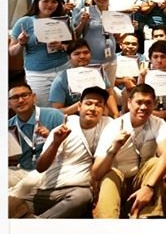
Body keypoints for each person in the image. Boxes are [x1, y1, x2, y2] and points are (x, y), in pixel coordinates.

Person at [92, 84, 166, 218]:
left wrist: (149, 187)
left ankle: (148, 217)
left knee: (155, 163)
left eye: (148, 103)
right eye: (139, 102)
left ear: (154, 105)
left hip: (142, 179)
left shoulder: (158, 123)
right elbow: (96, 173)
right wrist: (114, 149)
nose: (143, 107)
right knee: (109, 176)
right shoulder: (113, 127)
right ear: (129, 103)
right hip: (120, 179)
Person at [33, 86, 111, 218]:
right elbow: (40, 168)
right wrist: (55, 143)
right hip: (47, 191)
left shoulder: (108, 126)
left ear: (103, 110)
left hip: (77, 192)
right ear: (79, 107)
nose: (93, 108)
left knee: (82, 196)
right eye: (88, 103)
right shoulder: (63, 129)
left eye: (98, 105)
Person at [9, 0, 70, 107]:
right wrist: (21, 43)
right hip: (39, 74)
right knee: (44, 108)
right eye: (45, 1)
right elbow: (12, 52)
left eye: (54, 1)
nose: (49, 5)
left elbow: (72, 46)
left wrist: (62, 46)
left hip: (64, 68)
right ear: (37, 2)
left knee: (65, 105)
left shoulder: (62, 20)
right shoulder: (25, 22)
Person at [8, 82, 65, 188]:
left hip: (52, 170)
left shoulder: (54, 116)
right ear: (9, 104)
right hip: (22, 172)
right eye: (15, 97)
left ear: (33, 97)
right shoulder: (8, 126)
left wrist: (51, 138)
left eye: (24, 95)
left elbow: (70, 146)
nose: (20, 100)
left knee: (26, 185)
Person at [48, 39, 119, 117]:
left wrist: (116, 114)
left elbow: (109, 95)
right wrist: (81, 104)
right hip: (74, 118)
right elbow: (57, 111)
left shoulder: (98, 72)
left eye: (86, 52)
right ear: (69, 57)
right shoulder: (61, 80)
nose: (82, 56)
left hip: (99, 115)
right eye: (77, 54)